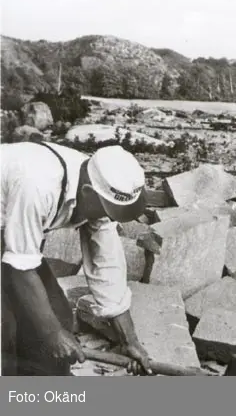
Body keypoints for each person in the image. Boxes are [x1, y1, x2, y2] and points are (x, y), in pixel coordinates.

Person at [1, 142, 153, 376]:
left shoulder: (100, 181)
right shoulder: (37, 183)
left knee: (58, 315)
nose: (107, 217)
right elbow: (20, 268)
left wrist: (128, 340)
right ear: (87, 193)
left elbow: (107, 263)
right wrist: (51, 334)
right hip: (12, 225)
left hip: (11, 229)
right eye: (106, 210)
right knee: (7, 326)